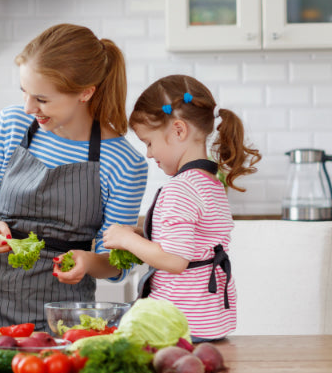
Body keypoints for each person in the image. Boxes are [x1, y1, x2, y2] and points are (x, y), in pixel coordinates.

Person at [0, 24, 148, 332]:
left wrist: (87, 262)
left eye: (42, 99)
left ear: (85, 93)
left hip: (62, 311)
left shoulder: (124, 162)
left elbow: (115, 261)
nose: (28, 107)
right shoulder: (12, 124)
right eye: (24, 92)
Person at [103, 74, 261, 342]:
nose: (149, 154)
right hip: (206, 318)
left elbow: (175, 260)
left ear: (178, 130)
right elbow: (192, 241)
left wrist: (127, 239)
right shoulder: (210, 182)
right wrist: (142, 233)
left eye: (149, 142)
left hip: (179, 321)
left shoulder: (181, 188)